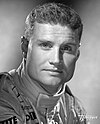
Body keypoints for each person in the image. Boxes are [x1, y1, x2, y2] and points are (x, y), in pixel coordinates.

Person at [0, 2, 88, 124]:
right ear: (25, 47)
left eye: (67, 48)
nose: (56, 60)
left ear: (77, 54)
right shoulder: (3, 100)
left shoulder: (74, 108)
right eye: (46, 45)